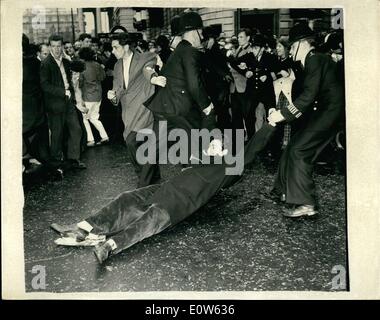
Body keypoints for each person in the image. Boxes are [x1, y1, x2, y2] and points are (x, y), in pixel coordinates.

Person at [51, 122, 277, 264]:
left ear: (227, 152)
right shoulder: (201, 158)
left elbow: (251, 151)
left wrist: (270, 124)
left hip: (178, 203)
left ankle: (110, 246)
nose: (211, 146)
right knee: (127, 198)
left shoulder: (227, 168)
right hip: (164, 189)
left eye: (217, 145)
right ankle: (84, 228)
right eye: (212, 144)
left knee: (146, 222)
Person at [267, 23, 344, 217]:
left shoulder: (315, 60)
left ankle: (306, 203)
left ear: (303, 44)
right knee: (294, 145)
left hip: (330, 113)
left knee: (299, 150)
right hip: (324, 112)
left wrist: (282, 114)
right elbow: (306, 97)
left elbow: (308, 96)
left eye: (292, 46)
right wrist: (283, 113)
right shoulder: (311, 61)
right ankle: (283, 190)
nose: (290, 51)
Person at [140, 11, 216, 187]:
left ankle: (141, 189)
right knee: (198, 140)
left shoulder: (179, 50)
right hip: (179, 109)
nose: (202, 36)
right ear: (192, 32)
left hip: (164, 107)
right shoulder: (189, 51)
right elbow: (194, 84)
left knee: (153, 151)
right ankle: (195, 187)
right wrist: (207, 106)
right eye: (201, 31)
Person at [107, 31, 166, 177]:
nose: (112, 51)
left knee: (131, 141)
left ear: (126, 47)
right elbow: (117, 87)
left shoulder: (143, 58)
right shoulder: (116, 65)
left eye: (115, 47)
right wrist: (112, 96)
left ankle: (143, 175)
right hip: (127, 110)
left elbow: (148, 69)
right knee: (141, 141)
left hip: (142, 106)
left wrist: (154, 79)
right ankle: (152, 174)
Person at [40, 34, 86, 171]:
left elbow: (74, 74)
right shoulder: (46, 64)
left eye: (58, 46)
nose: (56, 49)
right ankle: (55, 163)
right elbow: (44, 85)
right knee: (57, 134)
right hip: (55, 104)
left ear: (62, 47)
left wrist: (72, 90)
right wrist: (62, 92)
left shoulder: (66, 62)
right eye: (53, 46)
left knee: (76, 129)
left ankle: (73, 159)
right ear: (49, 47)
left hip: (68, 101)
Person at [202, 25, 232, 130]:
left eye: (206, 40)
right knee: (220, 112)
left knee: (222, 112)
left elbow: (216, 66)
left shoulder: (217, 50)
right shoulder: (209, 51)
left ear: (211, 39)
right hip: (214, 87)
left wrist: (224, 75)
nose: (204, 43)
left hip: (220, 86)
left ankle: (227, 136)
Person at [78, 46, 109, 147]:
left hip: (87, 96)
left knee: (85, 118)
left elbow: (80, 82)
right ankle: (104, 136)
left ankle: (90, 140)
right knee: (95, 117)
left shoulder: (82, 66)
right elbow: (103, 77)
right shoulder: (97, 65)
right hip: (98, 95)